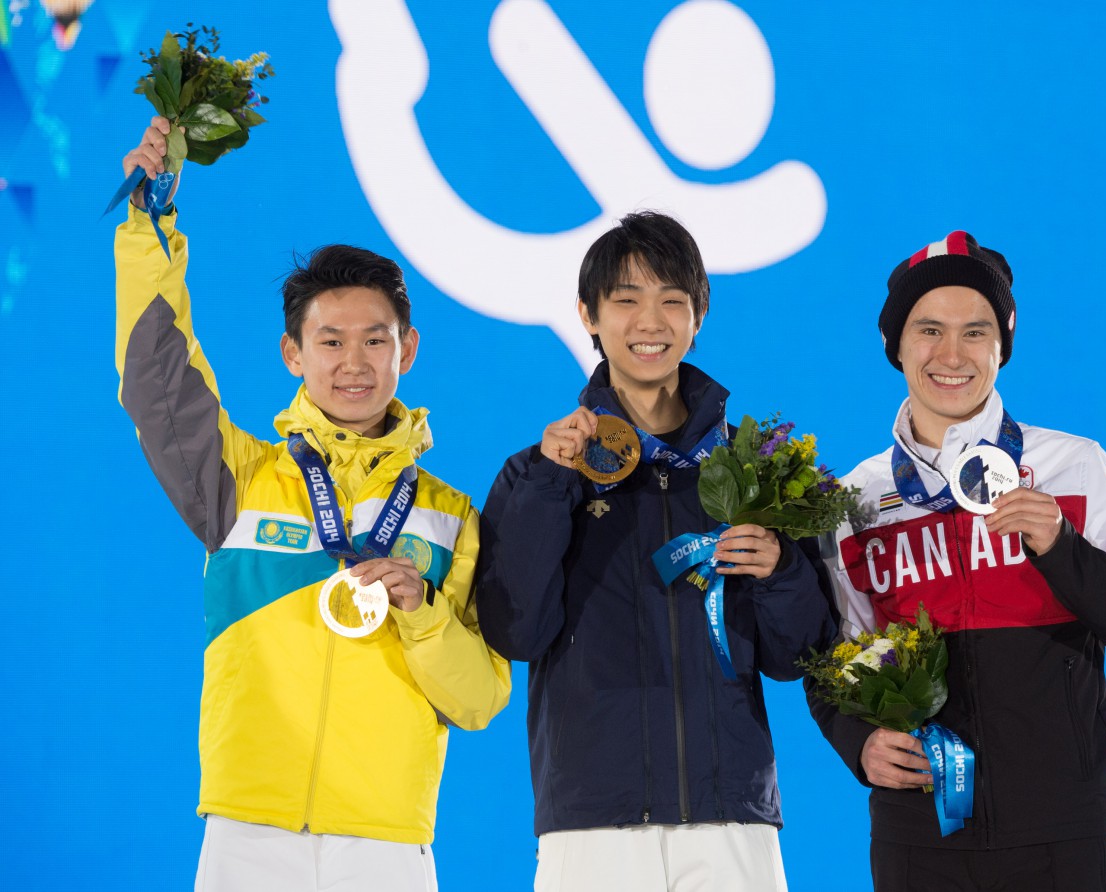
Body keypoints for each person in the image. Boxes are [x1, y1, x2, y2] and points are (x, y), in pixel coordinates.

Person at [114, 117, 510, 891]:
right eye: (330, 342)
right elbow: (155, 381)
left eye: (375, 341)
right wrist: (149, 222)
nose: (354, 363)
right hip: (246, 829)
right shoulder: (238, 479)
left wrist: (422, 611)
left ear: (409, 349)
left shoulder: (450, 516)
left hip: (387, 840)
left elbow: (479, 700)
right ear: (294, 354)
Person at [808, 230, 1106, 891]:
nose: (952, 354)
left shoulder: (1075, 468)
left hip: (1059, 836)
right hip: (917, 838)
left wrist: (1061, 549)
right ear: (895, 345)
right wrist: (855, 741)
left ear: (1002, 345)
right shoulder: (854, 503)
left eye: (975, 332)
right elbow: (829, 660)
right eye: (928, 330)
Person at [475, 211, 833, 892]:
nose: (651, 321)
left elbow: (796, 656)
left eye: (673, 300)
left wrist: (782, 569)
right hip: (592, 823)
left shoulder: (757, 475)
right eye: (626, 299)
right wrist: (555, 483)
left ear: (698, 316)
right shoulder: (538, 473)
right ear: (588, 314)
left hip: (732, 817)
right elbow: (516, 631)